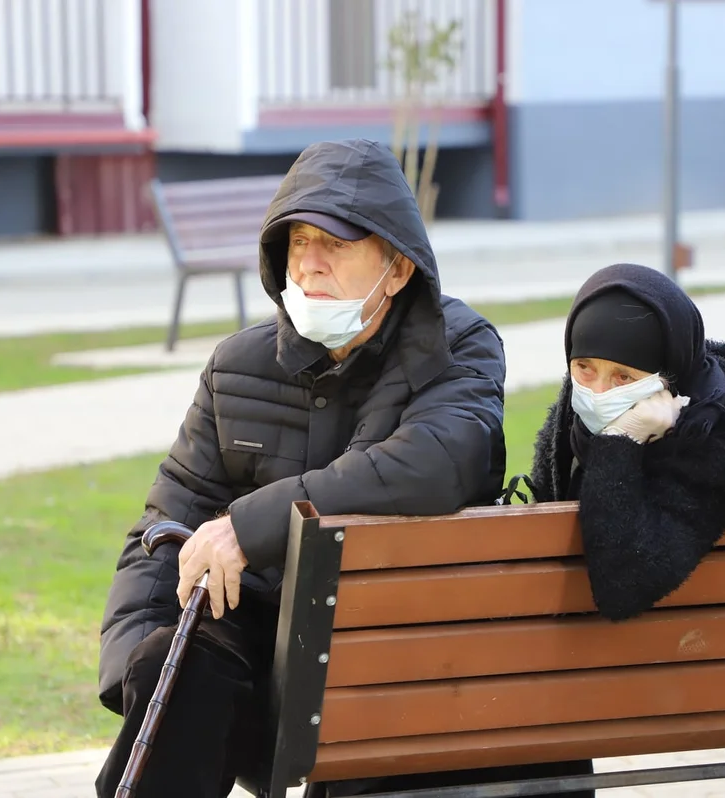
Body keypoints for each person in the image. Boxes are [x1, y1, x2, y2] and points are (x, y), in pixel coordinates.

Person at [94, 139, 584, 798]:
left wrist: (249, 527)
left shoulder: (460, 346)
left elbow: (437, 465)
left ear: (399, 268)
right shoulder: (236, 365)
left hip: (391, 650)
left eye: (337, 244)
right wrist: (135, 668)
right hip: (256, 661)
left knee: (359, 686)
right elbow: (166, 526)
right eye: (298, 241)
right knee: (174, 670)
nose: (311, 264)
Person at [528, 262, 725, 621]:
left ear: (668, 379)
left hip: (705, 658)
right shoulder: (570, 419)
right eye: (585, 367)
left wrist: (622, 439)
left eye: (623, 376)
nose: (598, 393)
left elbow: (622, 585)